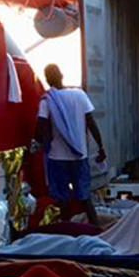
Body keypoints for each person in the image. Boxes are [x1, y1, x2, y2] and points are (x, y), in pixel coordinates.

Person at [34, 63, 105, 221]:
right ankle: (96, 230)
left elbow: (40, 125)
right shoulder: (79, 95)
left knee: (62, 200)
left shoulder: (47, 100)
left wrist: (39, 142)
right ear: (62, 75)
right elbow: (91, 123)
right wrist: (101, 146)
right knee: (85, 197)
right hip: (80, 156)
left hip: (57, 157)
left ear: (47, 80)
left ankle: (67, 232)